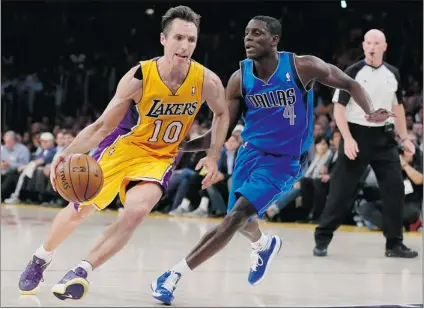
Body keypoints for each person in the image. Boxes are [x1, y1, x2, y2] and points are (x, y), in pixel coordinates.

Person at [151, 16, 392, 304]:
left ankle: (172, 275)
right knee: (240, 221)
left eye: (257, 34)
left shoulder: (303, 66)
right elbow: (221, 131)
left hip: (284, 161)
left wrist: (368, 111)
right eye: (246, 33)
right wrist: (182, 146)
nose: (248, 39)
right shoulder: (240, 78)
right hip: (249, 153)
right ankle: (263, 245)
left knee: (233, 218)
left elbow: (351, 83)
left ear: (274, 40)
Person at [18, 6, 230, 300]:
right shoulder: (140, 76)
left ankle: (81, 271)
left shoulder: (207, 80)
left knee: (136, 212)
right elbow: (103, 125)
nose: (185, 45)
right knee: (79, 210)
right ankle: (42, 256)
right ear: (163, 39)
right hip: (124, 149)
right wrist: (64, 153)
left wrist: (213, 153)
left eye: (191, 39)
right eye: (179, 37)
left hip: (160, 158)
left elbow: (222, 114)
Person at [313, 29, 418, 258]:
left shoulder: (393, 73)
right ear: (363, 46)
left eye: (376, 43)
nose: (372, 46)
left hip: (384, 138)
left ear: (384, 46)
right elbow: (338, 109)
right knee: (341, 193)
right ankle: (322, 238)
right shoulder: (352, 72)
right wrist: (348, 138)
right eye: (368, 42)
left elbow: (397, 107)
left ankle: (394, 244)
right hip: (356, 137)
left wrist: (404, 137)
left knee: (394, 190)